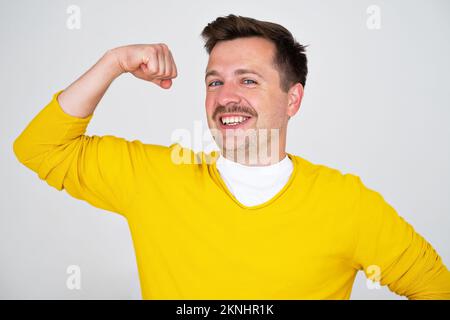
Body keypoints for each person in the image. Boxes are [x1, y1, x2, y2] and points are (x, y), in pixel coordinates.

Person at [13, 14, 450, 299]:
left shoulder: (348, 203)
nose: (227, 97)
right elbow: (39, 148)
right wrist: (113, 62)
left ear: (292, 99)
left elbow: (434, 287)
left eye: (249, 81)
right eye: (215, 82)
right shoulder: (154, 178)